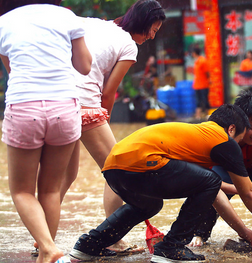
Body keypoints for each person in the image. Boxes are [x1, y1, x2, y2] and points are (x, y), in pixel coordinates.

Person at [69, 104, 252, 262]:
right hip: (142, 163)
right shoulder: (222, 139)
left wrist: (243, 232)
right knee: (210, 181)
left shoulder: (194, 137)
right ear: (232, 129)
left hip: (114, 168)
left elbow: (214, 191)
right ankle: (172, 247)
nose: (238, 146)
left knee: (150, 205)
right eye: (239, 140)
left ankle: (89, 245)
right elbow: (249, 192)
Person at [61, 0, 166, 254]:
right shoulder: (129, 45)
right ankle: (113, 238)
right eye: (152, 29)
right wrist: (103, 118)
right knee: (117, 167)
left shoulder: (94, 24)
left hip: (58, 100)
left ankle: (41, 239)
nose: (152, 36)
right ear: (141, 22)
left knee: (63, 176)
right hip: (85, 103)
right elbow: (108, 92)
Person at [0, 1, 92, 263]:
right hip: (64, 106)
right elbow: (84, 66)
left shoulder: (4, 22)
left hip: (24, 106)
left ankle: (48, 248)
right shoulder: (67, 16)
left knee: (21, 191)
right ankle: (46, 252)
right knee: (50, 190)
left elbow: (11, 70)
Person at [189, 91, 252, 247]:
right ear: (238, 123)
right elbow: (203, 179)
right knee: (208, 189)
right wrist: (238, 189)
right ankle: (200, 233)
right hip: (224, 173)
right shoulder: (220, 135)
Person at [191, 47, 210, 121]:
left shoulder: (203, 61)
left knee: (204, 100)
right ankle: (198, 115)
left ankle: (208, 114)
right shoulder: (196, 61)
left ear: (195, 53)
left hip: (203, 84)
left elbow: (207, 72)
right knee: (198, 100)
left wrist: (207, 79)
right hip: (197, 85)